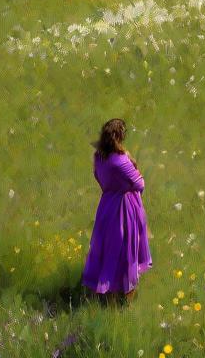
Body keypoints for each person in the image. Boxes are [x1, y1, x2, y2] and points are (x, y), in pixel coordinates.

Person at [82, 118, 152, 302]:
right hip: (125, 207)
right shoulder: (121, 160)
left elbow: (98, 177)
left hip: (106, 205)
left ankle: (103, 290)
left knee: (105, 247)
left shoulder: (99, 157)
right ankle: (124, 296)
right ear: (120, 136)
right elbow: (140, 183)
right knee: (126, 249)